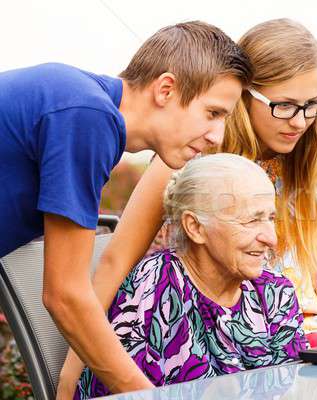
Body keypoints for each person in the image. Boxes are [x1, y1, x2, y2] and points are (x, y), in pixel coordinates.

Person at [60, 18, 317, 394]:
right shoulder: (192, 154)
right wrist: (71, 371)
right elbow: (116, 259)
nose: (300, 121)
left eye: (312, 106)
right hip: (215, 342)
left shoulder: (304, 158)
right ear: (242, 96)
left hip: (288, 331)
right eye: (284, 106)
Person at [0, 21, 252, 395]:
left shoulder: (86, 109)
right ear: (166, 89)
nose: (217, 136)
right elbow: (65, 294)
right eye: (212, 113)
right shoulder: (87, 116)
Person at [74, 153, 308, 399]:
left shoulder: (275, 291)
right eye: (251, 220)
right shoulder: (155, 288)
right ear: (195, 227)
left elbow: (294, 390)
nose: (271, 238)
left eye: (271, 218)